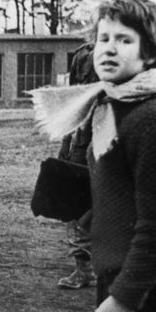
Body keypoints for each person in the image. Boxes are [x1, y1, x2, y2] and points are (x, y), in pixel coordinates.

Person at [31, 0, 156, 312]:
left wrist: (122, 302)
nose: (108, 48)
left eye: (124, 39)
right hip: (122, 272)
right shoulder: (114, 105)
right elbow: (126, 192)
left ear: (149, 52)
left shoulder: (155, 118)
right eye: (103, 38)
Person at [55, 42, 99, 290]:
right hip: (82, 144)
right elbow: (72, 104)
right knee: (76, 205)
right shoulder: (82, 54)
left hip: (112, 140)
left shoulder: (125, 52)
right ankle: (84, 269)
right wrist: (66, 143)